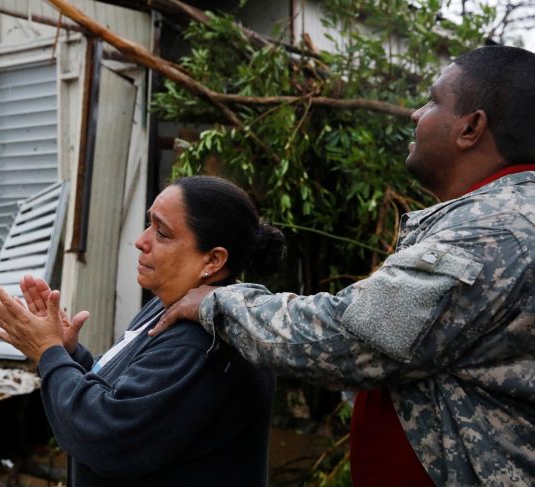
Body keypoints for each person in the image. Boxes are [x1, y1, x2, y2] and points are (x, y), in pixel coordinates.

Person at [151, 45, 535, 486]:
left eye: (432, 101)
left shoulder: (494, 233)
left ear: (470, 127)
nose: (415, 114)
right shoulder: (505, 219)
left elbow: (344, 338)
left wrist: (219, 303)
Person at [0, 176, 286, 486]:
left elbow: (103, 435)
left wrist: (49, 353)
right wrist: (70, 353)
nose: (141, 240)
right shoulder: (171, 306)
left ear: (213, 259)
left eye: (162, 233)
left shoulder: (200, 343)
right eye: (149, 224)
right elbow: (129, 394)